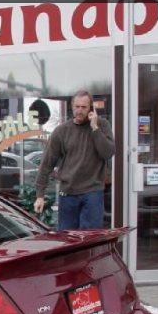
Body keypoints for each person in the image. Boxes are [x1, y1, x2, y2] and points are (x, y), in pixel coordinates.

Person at [34, 90, 115, 230]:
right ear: (72, 107)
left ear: (91, 108)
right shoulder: (61, 131)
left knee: (90, 240)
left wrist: (95, 128)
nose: (80, 111)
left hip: (93, 192)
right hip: (68, 194)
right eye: (77, 107)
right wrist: (40, 195)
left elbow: (108, 153)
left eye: (84, 107)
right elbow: (47, 163)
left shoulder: (102, 125)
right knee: (67, 239)